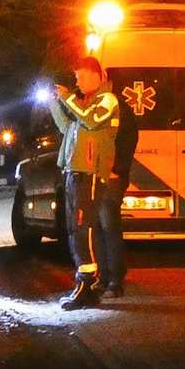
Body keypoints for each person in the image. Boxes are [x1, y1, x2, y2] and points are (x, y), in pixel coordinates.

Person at [49, 56, 120, 310]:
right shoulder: (85, 103)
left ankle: (89, 284)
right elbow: (67, 127)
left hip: (89, 174)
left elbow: (89, 120)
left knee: (84, 229)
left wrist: (68, 98)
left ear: (94, 75)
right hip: (74, 172)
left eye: (79, 76)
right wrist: (55, 104)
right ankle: (82, 281)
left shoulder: (106, 100)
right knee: (73, 230)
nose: (76, 82)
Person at [98, 77, 138, 297]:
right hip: (97, 176)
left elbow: (128, 140)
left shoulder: (120, 109)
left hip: (111, 178)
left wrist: (118, 170)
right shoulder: (97, 107)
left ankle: (114, 280)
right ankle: (105, 277)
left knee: (108, 226)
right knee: (99, 227)